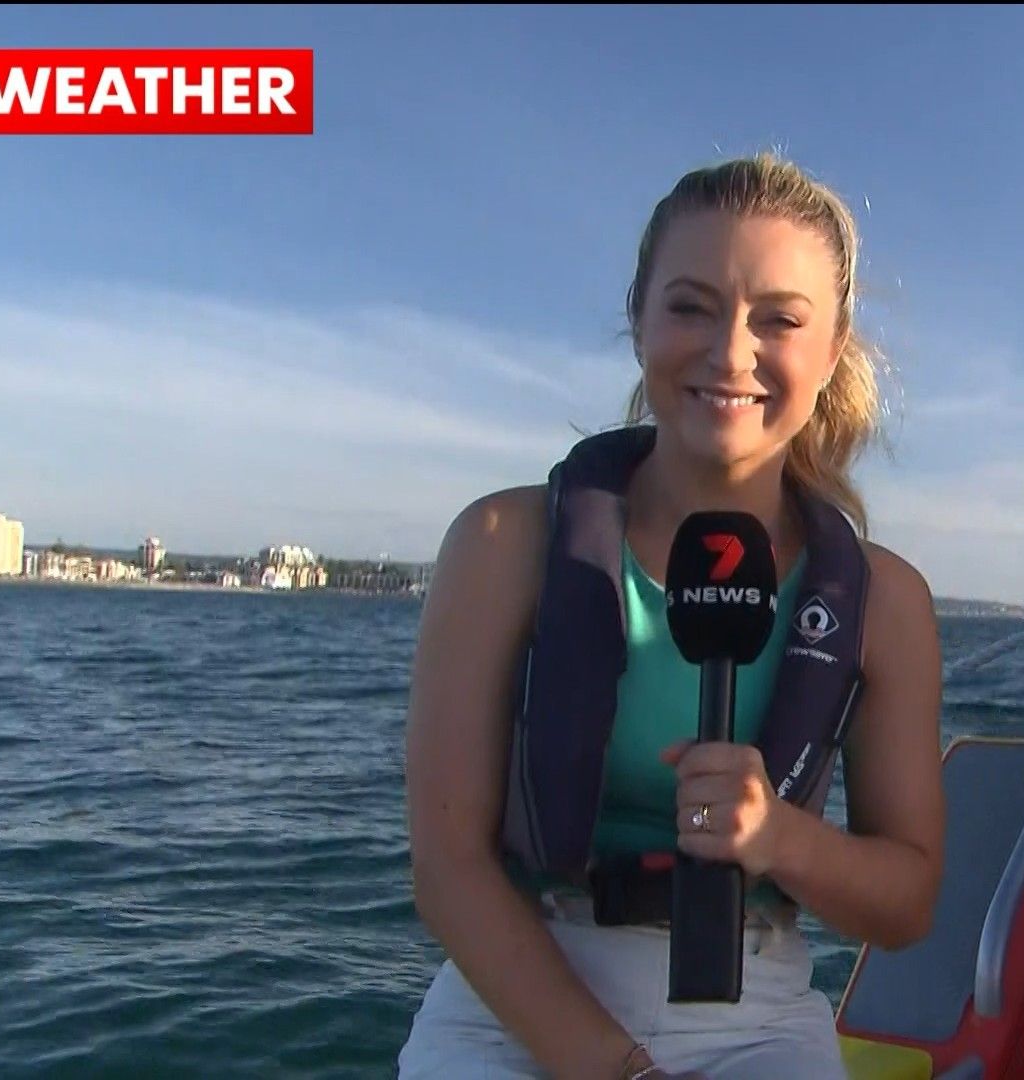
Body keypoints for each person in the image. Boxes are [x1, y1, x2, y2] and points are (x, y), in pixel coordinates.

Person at [396, 153, 946, 1080]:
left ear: (832, 348)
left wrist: (781, 838)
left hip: (757, 1018)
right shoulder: (501, 544)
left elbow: (908, 903)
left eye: (779, 320)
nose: (731, 352)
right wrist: (621, 1071)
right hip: (516, 1007)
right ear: (638, 319)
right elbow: (448, 870)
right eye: (691, 307)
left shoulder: (886, 604)